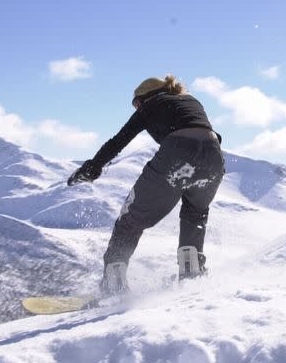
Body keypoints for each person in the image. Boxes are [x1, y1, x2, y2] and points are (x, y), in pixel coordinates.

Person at [67, 75, 224, 295]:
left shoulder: (151, 104)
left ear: (145, 98)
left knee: (129, 221)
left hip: (177, 154)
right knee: (195, 214)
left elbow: (119, 139)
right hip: (213, 159)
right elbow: (207, 135)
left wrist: (93, 167)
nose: (136, 107)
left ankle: (113, 287)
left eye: (136, 103)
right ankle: (191, 274)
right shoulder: (191, 101)